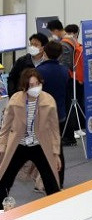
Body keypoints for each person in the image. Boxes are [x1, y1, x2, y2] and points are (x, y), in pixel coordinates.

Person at [0, 68, 61, 198]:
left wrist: (55, 153)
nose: (35, 88)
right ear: (24, 87)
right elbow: (5, 127)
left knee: (52, 183)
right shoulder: (15, 100)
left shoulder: (49, 101)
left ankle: (56, 207)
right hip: (19, 144)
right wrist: (2, 146)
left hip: (40, 145)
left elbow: (54, 130)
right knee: (4, 179)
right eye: (31, 85)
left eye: (37, 84)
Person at [38, 41, 69, 184]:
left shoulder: (39, 71)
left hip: (44, 115)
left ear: (44, 52)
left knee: (43, 150)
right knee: (58, 148)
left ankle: (48, 182)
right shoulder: (64, 70)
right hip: (60, 113)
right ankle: (59, 181)